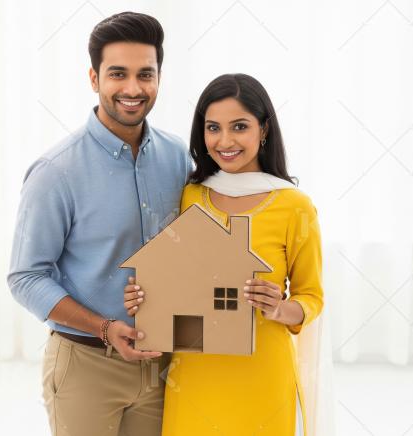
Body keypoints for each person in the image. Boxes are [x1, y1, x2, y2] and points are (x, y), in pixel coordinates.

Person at [7, 12, 191, 436]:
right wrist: (106, 328)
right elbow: (26, 277)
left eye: (146, 74)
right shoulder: (56, 171)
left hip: (165, 365)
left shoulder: (178, 158)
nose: (133, 89)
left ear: (160, 77)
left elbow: (192, 248)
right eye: (117, 74)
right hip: (86, 364)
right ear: (94, 78)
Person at [124, 73, 323, 435]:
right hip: (195, 374)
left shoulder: (295, 207)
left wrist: (280, 307)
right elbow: (173, 278)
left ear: (263, 130)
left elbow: (312, 297)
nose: (224, 141)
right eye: (213, 127)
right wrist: (143, 297)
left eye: (239, 126)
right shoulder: (190, 196)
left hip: (262, 374)